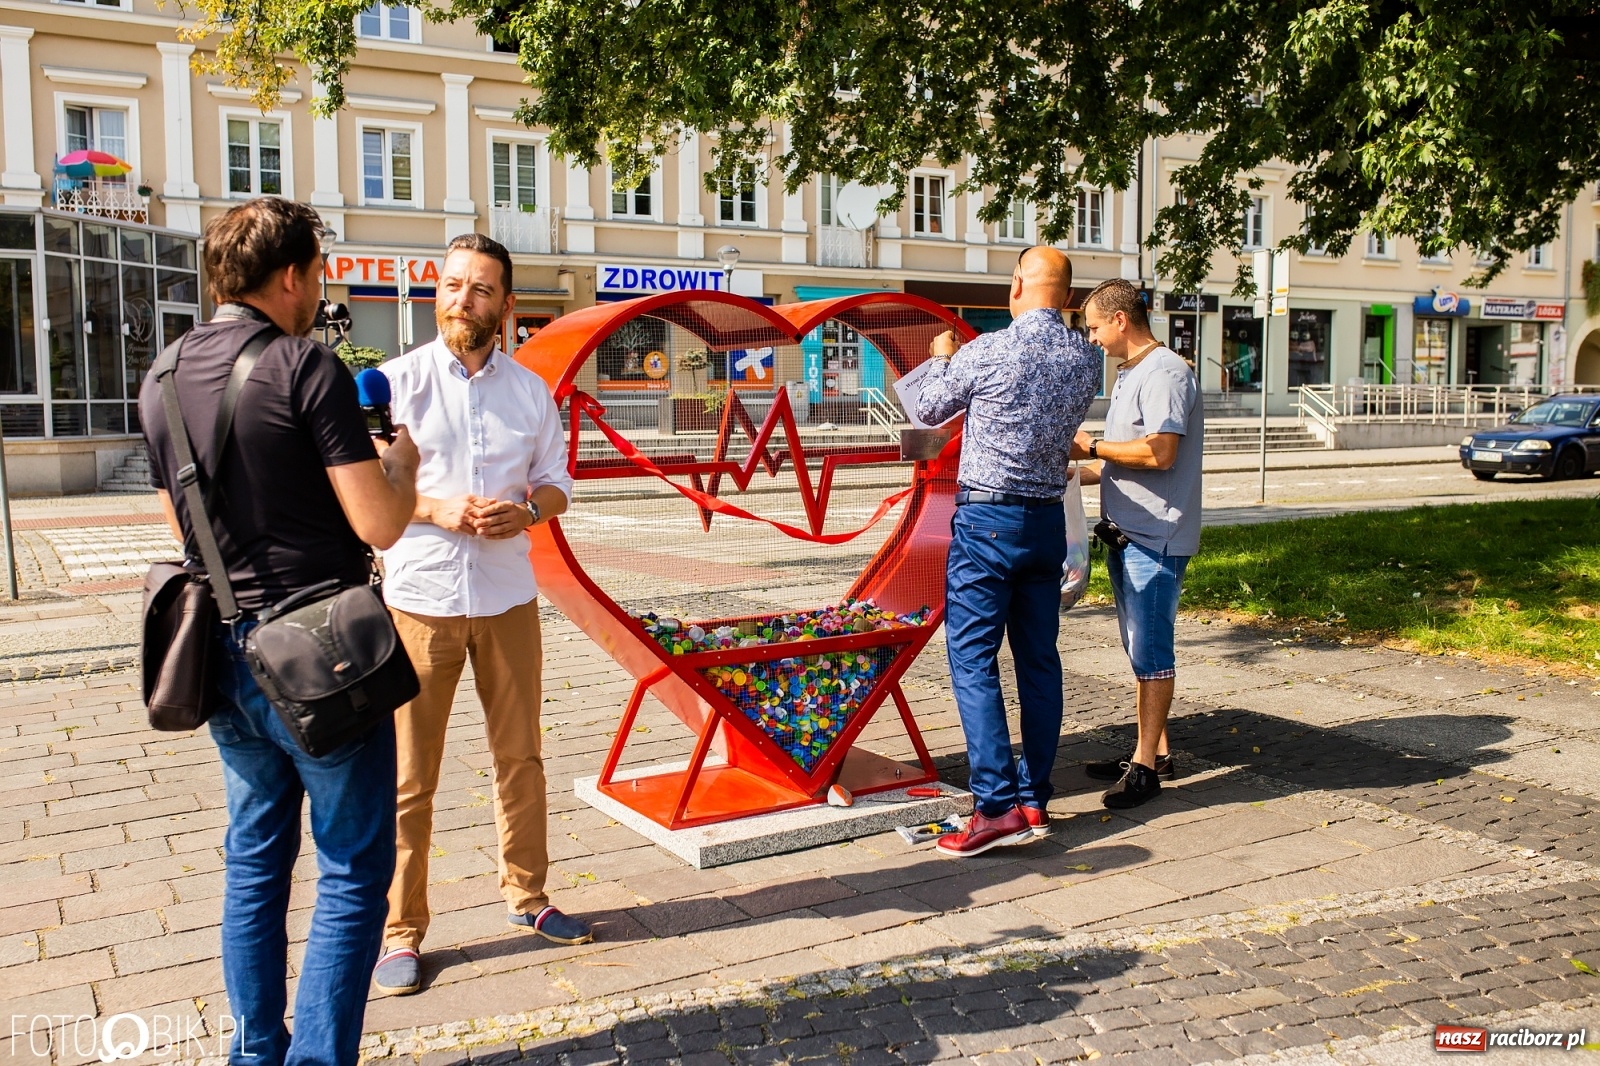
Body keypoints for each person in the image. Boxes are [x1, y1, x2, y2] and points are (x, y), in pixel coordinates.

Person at [141, 196, 420, 1066]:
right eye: (320, 273)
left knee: (255, 862)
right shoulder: (305, 365)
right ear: (292, 275)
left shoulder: (160, 376)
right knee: (351, 872)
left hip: (225, 654)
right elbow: (379, 523)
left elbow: (181, 530)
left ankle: (256, 1051)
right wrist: (401, 464)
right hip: (323, 659)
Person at [372, 233, 582, 997]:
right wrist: (436, 508)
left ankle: (528, 896)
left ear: (506, 305)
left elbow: (557, 483)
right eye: (453, 285)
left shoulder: (530, 392)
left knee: (520, 757)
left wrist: (528, 512)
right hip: (419, 602)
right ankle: (400, 931)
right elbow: (365, 492)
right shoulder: (395, 385)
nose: (463, 299)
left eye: (481, 288)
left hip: (507, 598)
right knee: (408, 777)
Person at [916, 247, 1102, 857]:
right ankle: (1034, 798)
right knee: (1039, 662)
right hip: (1046, 524)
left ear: (1017, 283)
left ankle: (995, 808)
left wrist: (941, 357)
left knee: (973, 659)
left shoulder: (989, 349)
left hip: (987, 522)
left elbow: (927, 409)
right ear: (1069, 298)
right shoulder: (1085, 357)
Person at [1071, 278, 1203, 809]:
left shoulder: (1165, 372)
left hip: (1156, 538)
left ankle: (1146, 768)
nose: (1092, 338)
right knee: (1138, 648)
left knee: (1151, 651)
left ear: (1120, 320)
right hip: (1129, 536)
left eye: (1094, 327)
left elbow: (1160, 453)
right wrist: (1072, 473)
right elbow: (1122, 461)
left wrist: (1091, 446)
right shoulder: (1132, 374)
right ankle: (1155, 752)